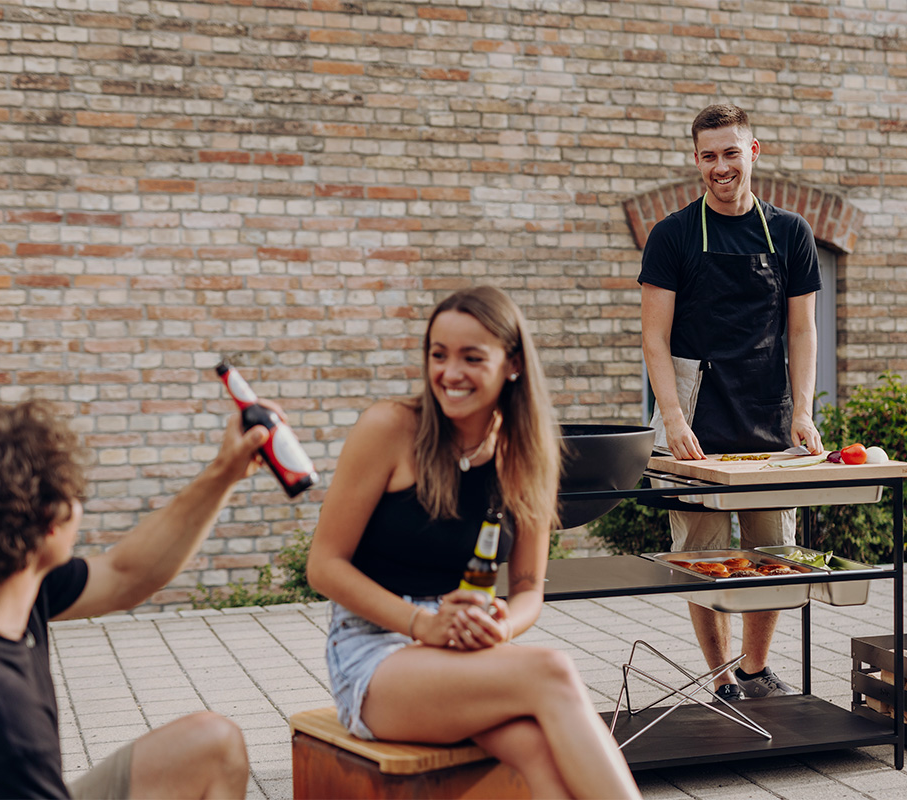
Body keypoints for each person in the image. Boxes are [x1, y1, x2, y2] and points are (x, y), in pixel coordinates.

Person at [307, 286, 641, 800]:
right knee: (551, 671)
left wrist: (497, 622)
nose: (449, 373)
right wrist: (424, 623)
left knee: (536, 749)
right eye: (438, 355)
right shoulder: (391, 428)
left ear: (511, 364)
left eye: (470, 357)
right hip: (374, 652)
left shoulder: (526, 452)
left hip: (463, 649)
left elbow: (528, 587)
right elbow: (324, 566)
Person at [0, 400, 268, 799]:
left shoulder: (9, 582)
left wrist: (226, 472)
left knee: (213, 744)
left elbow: (127, 575)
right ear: (52, 521)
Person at [639, 103, 825, 702]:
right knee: (704, 557)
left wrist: (803, 409)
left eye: (731, 152)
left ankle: (755, 669)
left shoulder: (791, 232)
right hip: (695, 417)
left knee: (773, 554)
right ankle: (720, 678)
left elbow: (802, 330)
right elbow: (653, 337)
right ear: (697, 160)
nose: (721, 166)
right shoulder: (671, 235)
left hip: (766, 416)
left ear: (754, 152)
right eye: (709, 155)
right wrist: (671, 418)